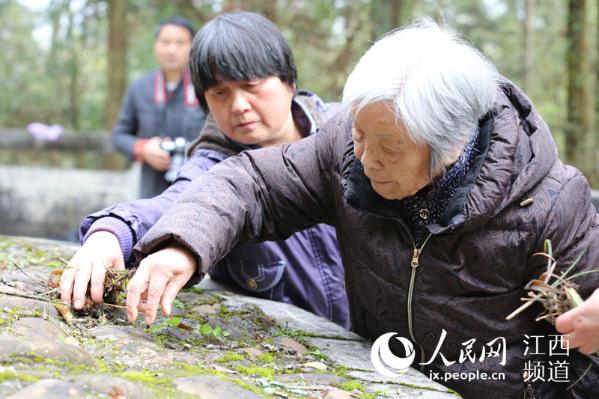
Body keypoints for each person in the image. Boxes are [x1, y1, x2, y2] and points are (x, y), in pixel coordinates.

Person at [128, 19, 599, 398]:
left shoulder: (552, 204)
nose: (366, 161)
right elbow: (253, 183)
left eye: (389, 148)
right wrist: (182, 246)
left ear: (451, 146)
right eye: (358, 135)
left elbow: (582, 363)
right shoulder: (345, 150)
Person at [60, 12, 349, 329]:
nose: (238, 105)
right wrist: (110, 233)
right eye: (220, 94)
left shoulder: (351, 132)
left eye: (251, 86)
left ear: (289, 81)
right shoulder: (214, 166)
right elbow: (178, 205)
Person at [112, 16, 206, 198]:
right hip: (151, 191)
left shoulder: (205, 87)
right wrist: (143, 148)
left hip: (197, 189)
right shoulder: (139, 87)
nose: (172, 49)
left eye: (180, 43)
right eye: (165, 42)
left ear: (192, 47)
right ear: (156, 45)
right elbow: (119, 136)